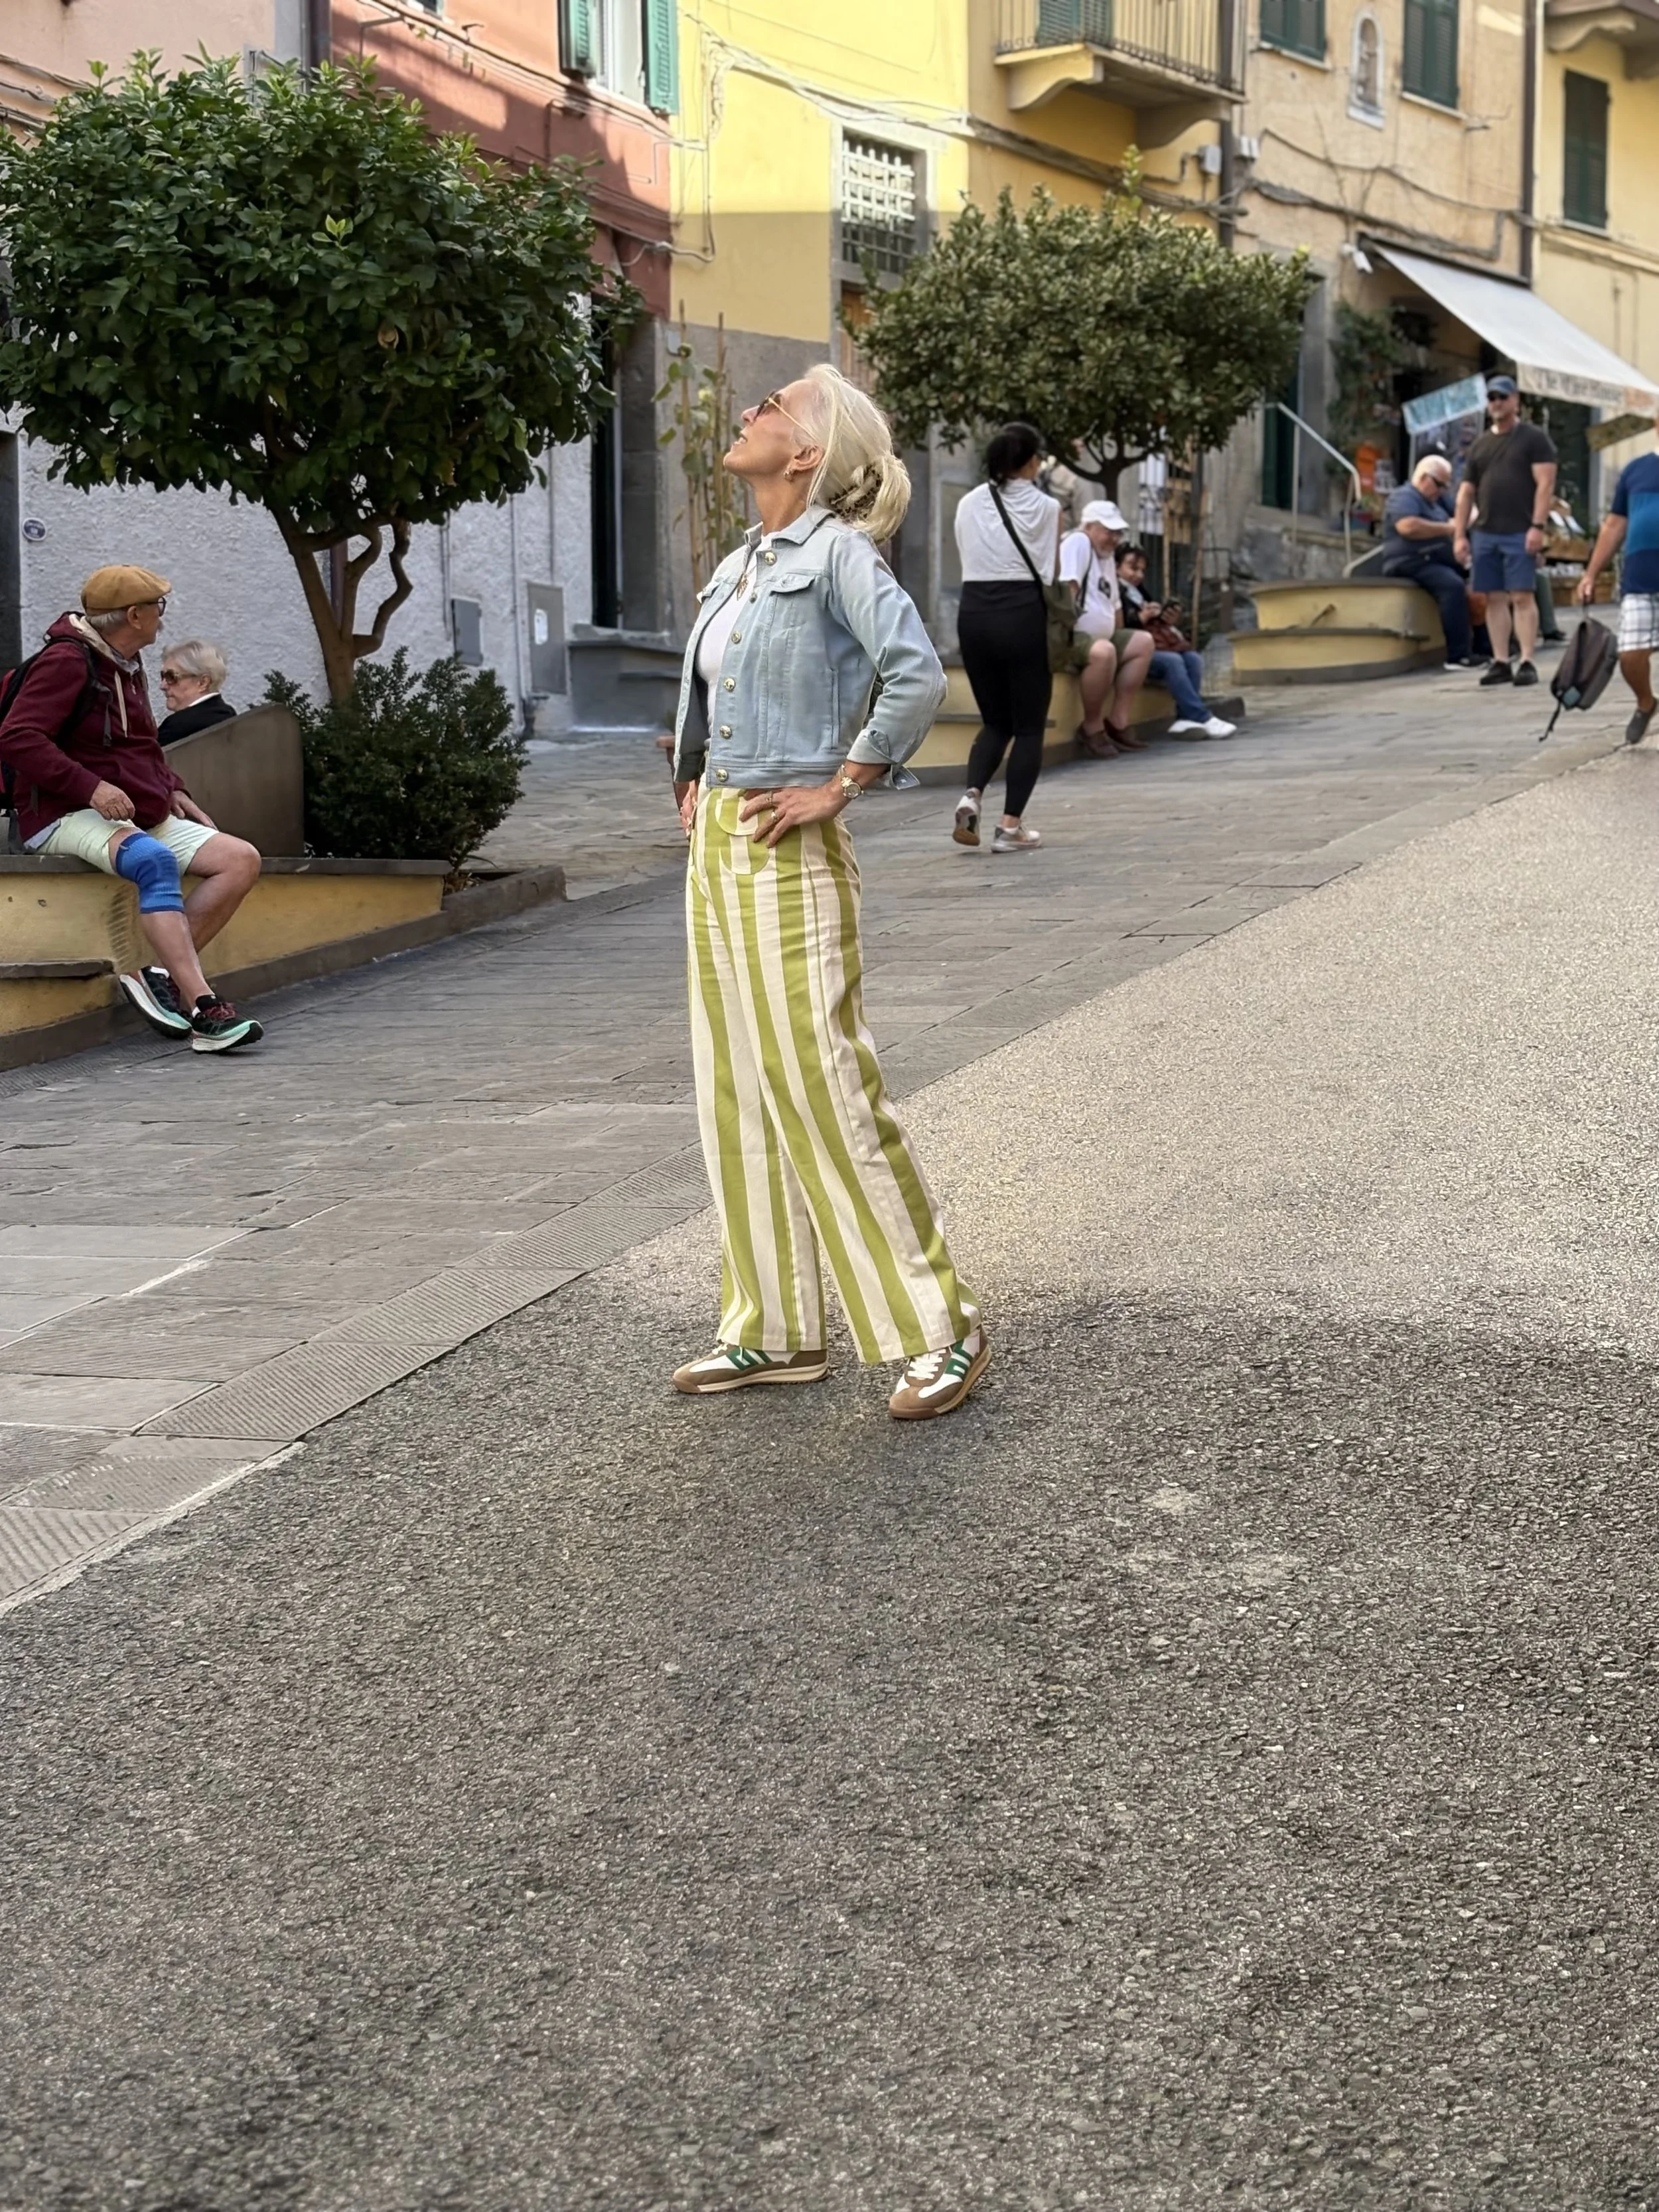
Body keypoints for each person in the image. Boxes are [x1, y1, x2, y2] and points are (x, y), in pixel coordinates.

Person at [668, 365, 987, 1422]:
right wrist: (691, 766)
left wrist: (842, 783)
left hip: (787, 847)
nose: (755, 409)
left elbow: (916, 675)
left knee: (826, 1081)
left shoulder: (838, 554)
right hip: (719, 841)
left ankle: (942, 1327)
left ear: (807, 456)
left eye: (779, 406)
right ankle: (772, 1327)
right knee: (738, 1085)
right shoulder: (743, 563)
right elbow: (718, 688)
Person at [0, 567, 264, 1053]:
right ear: (134, 615)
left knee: (240, 859)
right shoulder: (67, 662)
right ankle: (204, 1007)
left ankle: (156, 975)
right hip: (63, 812)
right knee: (153, 861)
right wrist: (93, 788)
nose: (162, 620)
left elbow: (141, 743)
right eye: (157, 609)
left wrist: (172, 787)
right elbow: (18, 737)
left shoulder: (128, 661)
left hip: (135, 810)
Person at [950, 421, 1060, 853]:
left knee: (996, 720)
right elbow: (1048, 571)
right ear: (1031, 462)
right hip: (1021, 613)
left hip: (973, 612)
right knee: (1029, 726)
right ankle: (1010, 827)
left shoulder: (969, 502)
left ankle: (971, 793)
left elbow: (966, 553)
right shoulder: (1048, 508)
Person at [1453, 378, 1557, 690]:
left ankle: (1527, 660)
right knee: (1493, 598)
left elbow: (1546, 484)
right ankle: (1501, 661)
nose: (1496, 402)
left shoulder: (1534, 440)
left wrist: (1537, 526)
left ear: (1516, 400)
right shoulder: (1481, 446)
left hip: (1519, 529)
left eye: (1502, 397)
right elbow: (1466, 492)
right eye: (1492, 397)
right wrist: (1459, 534)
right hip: (1486, 531)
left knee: (1522, 595)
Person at [1577, 406, 1659, 745]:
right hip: (1641, 576)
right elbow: (1614, 525)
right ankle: (1646, 702)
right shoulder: (1636, 470)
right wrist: (1590, 574)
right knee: (1630, 653)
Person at [1058, 500, 1155, 756]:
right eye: (1108, 531)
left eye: (1117, 532)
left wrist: (1119, 632)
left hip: (1100, 636)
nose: (1114, 538)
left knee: (1143, 642)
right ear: (1089, 526)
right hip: (1073, 635)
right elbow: (1069, 589)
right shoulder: (1078, 542)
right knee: (1104, 652)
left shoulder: (1108, 557)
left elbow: (1114, 605)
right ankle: (1091, 727)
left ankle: (1118, 722)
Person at [1117, 546, 1236, 738]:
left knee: (1193, 659)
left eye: (1142, 570)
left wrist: (1164, 617)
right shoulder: (1114, 590)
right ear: (1116, 567)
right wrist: (1142, 617)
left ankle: (1186, 718)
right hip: (1132, 650)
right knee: (1172, 661)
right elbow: (1120, 624)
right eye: (1132, 568)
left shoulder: (1139, 592)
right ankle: (1202, 716)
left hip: (1154, 645)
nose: (1138, 575)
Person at [1381, 453, 1479, 669]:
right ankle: (1458, 656)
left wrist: (1466, 519)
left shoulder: (1438, 500)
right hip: (1412, 559)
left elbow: (1466, 511)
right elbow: (1408, 527)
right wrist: (1450, 528)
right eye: (1440, 485)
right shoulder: (1405, 496)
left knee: (1482, 581)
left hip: (1440, 558)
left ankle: (1485, 646)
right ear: (1425, 478)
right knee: (1452, 586)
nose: (1442, 491)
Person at [157, 640, 236, 742]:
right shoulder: (229, 715)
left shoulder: (179, 726)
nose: (163, 686)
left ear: (203, 683)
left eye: (171, 677)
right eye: (162, 676)